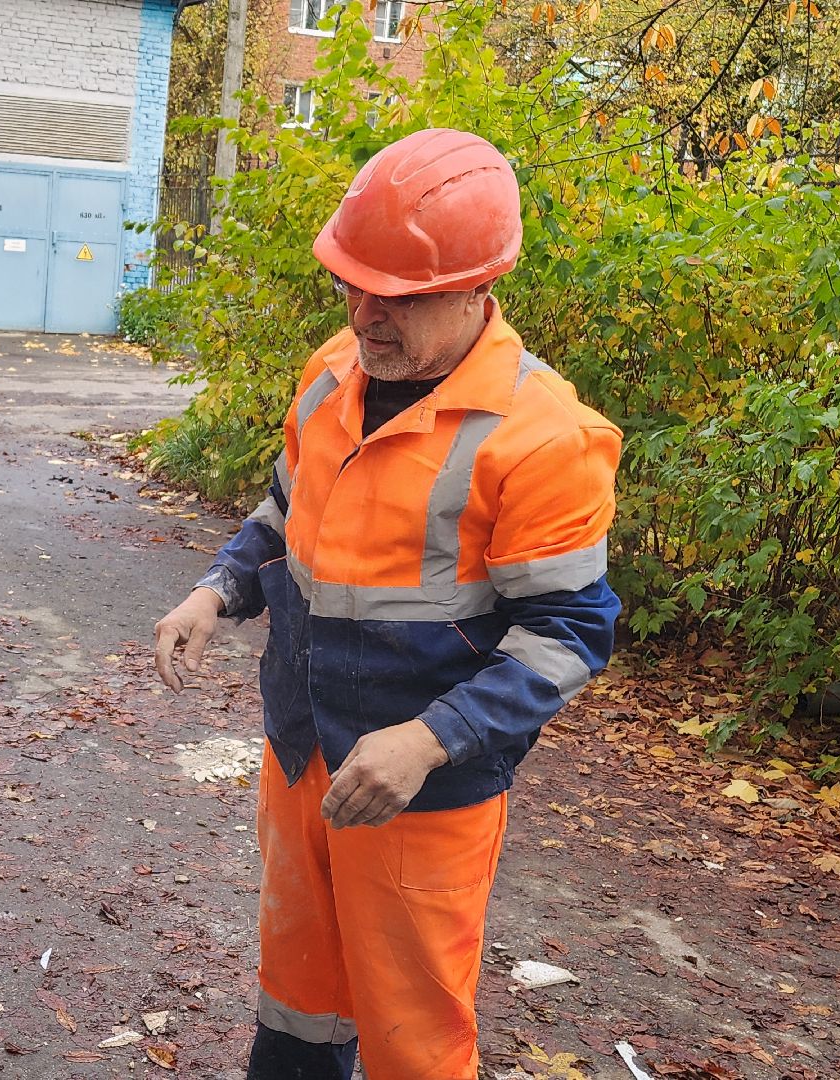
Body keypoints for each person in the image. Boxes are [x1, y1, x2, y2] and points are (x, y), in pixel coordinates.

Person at [153, 128, 622, 1079]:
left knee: (413, 1036)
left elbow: (570, 632)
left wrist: (428, 738)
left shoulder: (543, 436)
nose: (368, 315)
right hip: (304, 752)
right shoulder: (335, 371)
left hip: (424, 792)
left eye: (398, 298)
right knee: (297, 999)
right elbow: (287, 508)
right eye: (354, 286)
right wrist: (220, 588)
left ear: (476, 289)